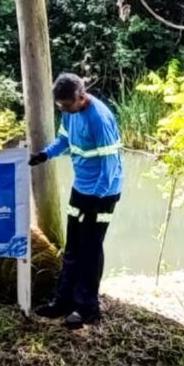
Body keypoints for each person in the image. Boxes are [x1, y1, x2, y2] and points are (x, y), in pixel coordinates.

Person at [29, 73, 123, 329]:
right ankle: (63, 301)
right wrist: (44, 156)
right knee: (73, 247)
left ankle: (87, 308)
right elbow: (64, 141)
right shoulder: (69, 113)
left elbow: (110, 165)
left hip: (102, 193)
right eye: (60, 107)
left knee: (90, 249)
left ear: (81, 97)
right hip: (81, 188)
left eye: (67, 106)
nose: (65, 110)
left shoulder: (99, 119)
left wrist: (99, 196)